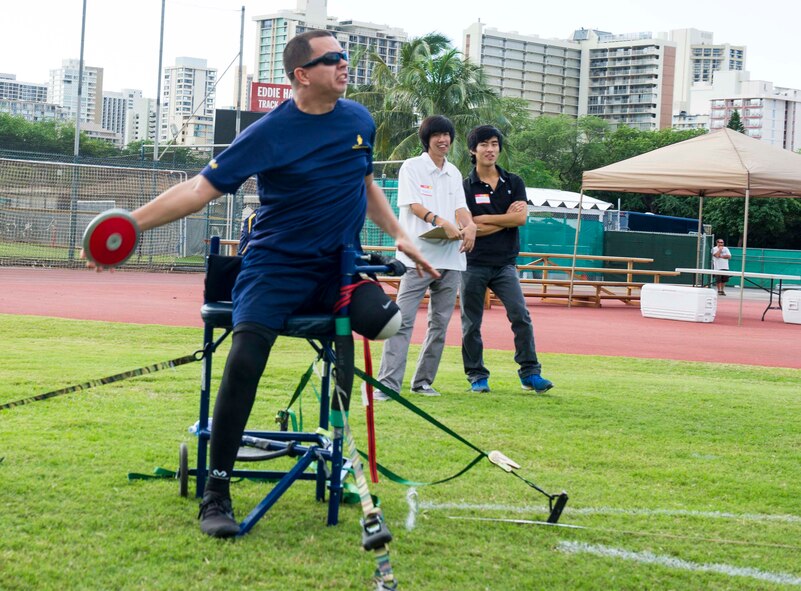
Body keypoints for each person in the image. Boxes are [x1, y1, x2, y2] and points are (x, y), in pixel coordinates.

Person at [85, 30, 436, 537]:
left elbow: (364, 184)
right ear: (302, 74)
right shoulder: (269, 132)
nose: (345, 65)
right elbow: (200, 188)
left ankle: (333, 448)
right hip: (274, 267)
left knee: (387, 323)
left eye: (345, 57)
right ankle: (216, 491)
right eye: (334, 59)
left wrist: (400, 234)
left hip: (335, 267)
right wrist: (131, 225)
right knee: (246, 358)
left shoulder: (360, 120)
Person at [374, 115, 476, 399]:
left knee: (440, 325)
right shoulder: (412, 167)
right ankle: (387, 385)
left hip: (451, 260)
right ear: (427, 139)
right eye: (437, 135)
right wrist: (439, 221)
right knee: (401, 321)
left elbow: (461, 208)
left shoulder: (454, 172)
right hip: (416, 259)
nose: (443, 140)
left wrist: (470, 226)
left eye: (447, 135)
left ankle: (422, 383)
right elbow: (414, 206)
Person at [460, 125, 553, 394]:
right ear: (473, 150)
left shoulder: (514, 182)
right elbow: (469, 226)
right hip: (473, 262)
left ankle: (530, 374)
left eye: (494, 144)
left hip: (505, 264)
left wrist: (485, 220)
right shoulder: (464, 186)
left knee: (520, 315)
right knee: (471, 324)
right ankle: (477, 376)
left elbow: (520, 218)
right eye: (483, 145)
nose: (490, 149)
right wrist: (504, 220)